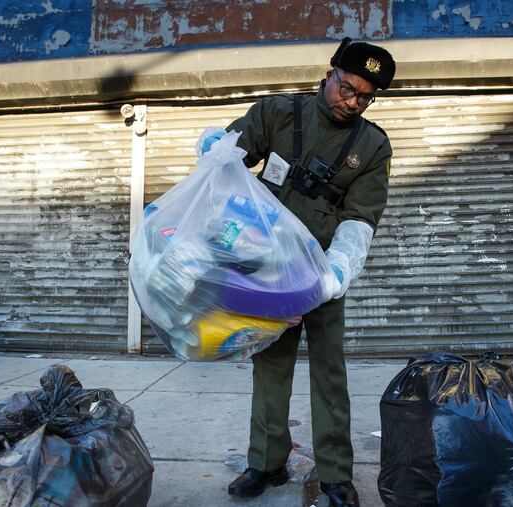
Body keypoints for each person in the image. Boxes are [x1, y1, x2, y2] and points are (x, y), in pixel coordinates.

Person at [199, 37, 395, 507]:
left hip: (322, 274)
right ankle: (265, 464)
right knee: (270, 366)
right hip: (266, 267)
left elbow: (360, 217)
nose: (353, 101)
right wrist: (215, 152)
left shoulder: (372, 145)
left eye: (365, 96)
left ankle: (335, 476)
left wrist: (336, 272)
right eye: (347, 88)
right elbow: (226, 165)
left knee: (330, 372)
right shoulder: (278, 113)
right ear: (329, 74)